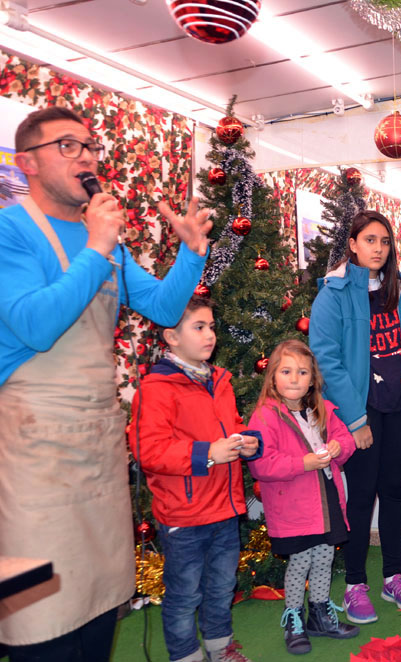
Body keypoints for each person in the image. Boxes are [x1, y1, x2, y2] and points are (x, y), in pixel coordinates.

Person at [0, 106, 211, 661]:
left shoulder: (109, 244)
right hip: (32, 455)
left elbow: (165, 309)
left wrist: (191, 253)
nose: (87, 156)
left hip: (94, 448)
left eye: (90, 146)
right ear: (27, 162)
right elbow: (35, 325)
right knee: (40, 618)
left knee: (97, 607)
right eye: (68, 146)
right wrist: (95, 247)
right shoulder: (9, 229)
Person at [309, 210, 401, 624]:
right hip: (361, 411)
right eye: (370, 240)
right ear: (353, 244)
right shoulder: (334, 293)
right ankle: (356, 583)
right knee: (361, 498)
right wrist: (356, 421)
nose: (379, 248)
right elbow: (325, 360)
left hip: (398, 404)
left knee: (394, 493)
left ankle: (393, 576)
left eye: (385, 241)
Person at [129, 297, 263, 662]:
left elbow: (228, 428)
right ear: (171, 337)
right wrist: (206, 454)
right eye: (199, 327)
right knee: (185, 594)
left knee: (222, 587)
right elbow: (149, 451)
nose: (210, 335)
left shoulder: (219, 381)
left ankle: (220, 649)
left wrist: (245, 441)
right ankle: (186, 656)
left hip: (224, 507)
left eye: (212, 327)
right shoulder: (156, 389)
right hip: (184, 515)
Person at [248, 340, 360, 654]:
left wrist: (339, 447)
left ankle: (320, 615)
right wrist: (303, 463)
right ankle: (294, 618)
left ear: (312, 379)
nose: (294, 379)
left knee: (324, 558)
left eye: (302, 372)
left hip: (325, 502)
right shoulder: (266, 417)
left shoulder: (320, 408)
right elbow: (260, 463)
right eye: (286, 371)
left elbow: (343, 437)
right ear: (272, 377)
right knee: (300, 562)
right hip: (294, 506)